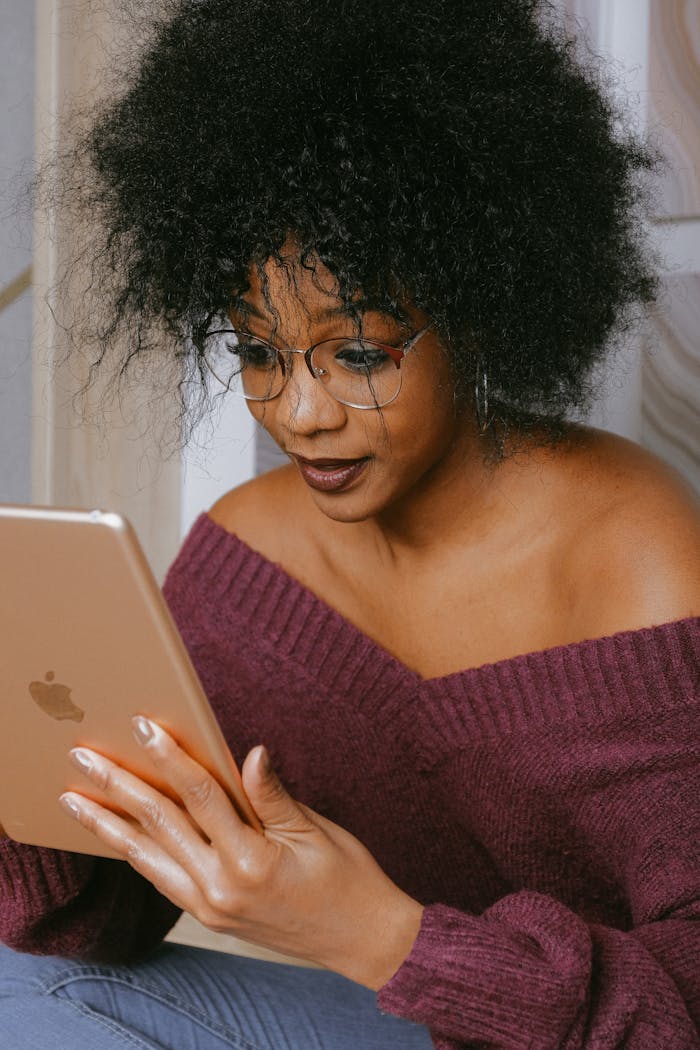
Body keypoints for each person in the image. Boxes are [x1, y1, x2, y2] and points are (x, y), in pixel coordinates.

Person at [1, 0, 699, 1047]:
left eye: (359, 354)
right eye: (260, 352)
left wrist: (382, 937)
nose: (300, 413)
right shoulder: (249, 566)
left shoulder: (635, 558)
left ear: (479, 310)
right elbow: (101, 925)